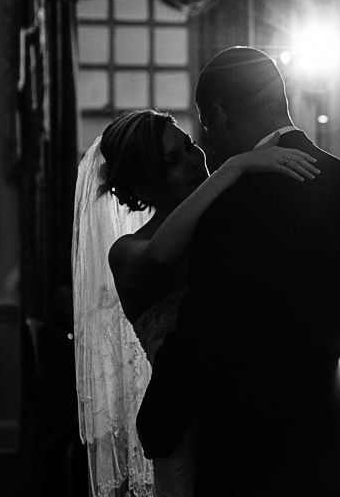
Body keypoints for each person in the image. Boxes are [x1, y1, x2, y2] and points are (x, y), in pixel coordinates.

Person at [136, 47, 340, 496]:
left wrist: (159, 419)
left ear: (219, 114)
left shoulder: (230, 207)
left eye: (204, 122)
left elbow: (210, 332)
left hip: (260, 453)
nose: (204, 141)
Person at [72, 108, 318, 496]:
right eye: (172, 161)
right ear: (139, 186)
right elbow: (160, 256)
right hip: (188, 425)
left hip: (260, 410)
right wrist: (234, 168)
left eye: (188, 147)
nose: (192, 161)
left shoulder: (230, 224)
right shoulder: (128, 251)